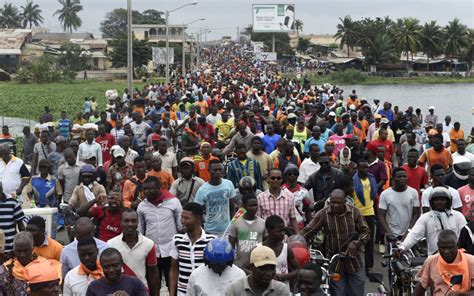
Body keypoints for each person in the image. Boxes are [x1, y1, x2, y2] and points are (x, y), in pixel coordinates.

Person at [301, 189, 369, 296]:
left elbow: (365, 231)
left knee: (357, 292)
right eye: (333, 202)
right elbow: (308, 231)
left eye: (338, 202)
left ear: (345, 202)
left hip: (354, 261)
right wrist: (295, 242)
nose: (335, 205)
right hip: (334, 262)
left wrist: (357, 243)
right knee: (337, 293)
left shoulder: (355, 212)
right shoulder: (323, 214)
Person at [137, 176, 182, 291]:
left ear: (159, 188)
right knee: (153, 285)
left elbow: (180, 227)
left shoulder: (173, 202)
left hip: (170, 250)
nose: (147, 192)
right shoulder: (142, 206)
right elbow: (140, 230)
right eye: (145, 189)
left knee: (173, 284)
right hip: (152, 252)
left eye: (150, 189)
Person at [399, 187, 467, 255]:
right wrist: (403, 247)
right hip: (434, 258)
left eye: (442, 199)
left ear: (448, 201)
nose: (439, 202)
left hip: (456, 256)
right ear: (431, 202)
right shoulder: (425, 217)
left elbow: (465, 237)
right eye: (436, 200)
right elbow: (414, 235)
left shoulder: (458, 216)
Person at [108, 208, 159, 295]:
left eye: (133, 221)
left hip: (141, 291)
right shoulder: (110, 244)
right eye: (126, 221)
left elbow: (152, 274)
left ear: (138, 222)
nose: (130, 224)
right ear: (121, 222)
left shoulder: (149, 244)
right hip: (117, 292)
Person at [170, 202, 216, 296]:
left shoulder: (211, 240)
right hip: (183, 292)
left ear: (198, 219)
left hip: (205, 291)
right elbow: (174, 269)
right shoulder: (177, 239)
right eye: (182, 217)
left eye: (186, 218)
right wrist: (171, 293)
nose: (182, 221)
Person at [413, 230, 474, 296]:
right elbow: (421, 287)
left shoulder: (471, 261)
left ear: (457, 245)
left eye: (450, 247)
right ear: (438, 246)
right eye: (442, 248)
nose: (446, 251)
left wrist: (460, 295)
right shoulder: (431, 261)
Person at [225, 245, 290, 295]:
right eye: (263, 269)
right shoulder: (234, 290)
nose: (269, 273)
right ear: (251, 267)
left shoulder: (281, 290)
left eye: (272, 268)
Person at [195, 159, 236, 236]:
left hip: (227, 230)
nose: (218, 172)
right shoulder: (202, 190)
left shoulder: (229, 184)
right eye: (215, 170)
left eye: (220, 169)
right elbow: (197, 212)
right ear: (209, 170)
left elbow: (232, 206)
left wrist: (232, 224)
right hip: (209, 231)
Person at [378, 168, 420, 241]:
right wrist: (389, 233)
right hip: (392, 235)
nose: (402, 179)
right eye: (399, 177)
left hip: (409, 234)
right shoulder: (385, 194)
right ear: (393, 178)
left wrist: (408, 232)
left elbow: (416, 213)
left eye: (404, 176)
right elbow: (381, 215)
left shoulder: (413, 192)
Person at [228, 193, 267, 273]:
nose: (254, 208)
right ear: (244, 206)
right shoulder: (236, 223)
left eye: (255, 205)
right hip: (240, 267)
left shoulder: (263, 223)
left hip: (259, 265)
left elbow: (266, 243)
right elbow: (231, 245)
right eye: (251, 205)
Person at [352, 159, 377, 274]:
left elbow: (374, 194)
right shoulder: (353, 180)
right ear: (358, 168)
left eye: (367, 167)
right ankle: (354, 265)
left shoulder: (371, 178)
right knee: (355, 241)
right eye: (362, 167)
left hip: (369, 213)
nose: (365, 170)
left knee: (369, 241)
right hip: (356, 214)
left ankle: (369, 267)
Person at [262, 215, 300, 290]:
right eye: (279, 231)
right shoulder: (259, 249)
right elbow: (245, 268)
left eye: (284, 231)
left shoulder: (286, 249)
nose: (283, 234)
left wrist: (285, 276)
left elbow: (298, 269)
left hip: (283, 290)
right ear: (269, 231)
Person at [257, 168, 300, 234]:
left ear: (282, 180)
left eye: (278, 178)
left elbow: (293, 219)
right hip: (266, 237)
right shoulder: (260, 197)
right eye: (273, 178)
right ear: (268, 179)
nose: (276, 180)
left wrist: (297, 236)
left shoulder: (289, 197)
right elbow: (258, 220)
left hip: (283, 237)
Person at [282, 164, 311, 228]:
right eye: (290, 174)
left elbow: (308, 210)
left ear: (297, 175)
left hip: (300, 225)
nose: (292, 175)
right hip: (285, 226)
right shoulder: (281, 191)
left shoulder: (304, 192)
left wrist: (310, 226)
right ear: (286, 176)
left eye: (294, 174)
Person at [0, 183, 25, 255]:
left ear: (1, 189)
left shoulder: (12, 203)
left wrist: (25, 242)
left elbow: (21, 226)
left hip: (11, 251)